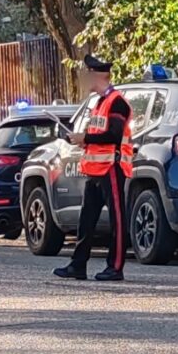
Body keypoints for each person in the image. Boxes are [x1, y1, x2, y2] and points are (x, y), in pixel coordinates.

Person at [53, 54, 133, 282]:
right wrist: (79, 139)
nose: (85, 79)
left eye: (87, 74)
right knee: (86, 219)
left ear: (97, 75)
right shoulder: (99, 103)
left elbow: (114, 135)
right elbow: (98, 135)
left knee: (118, 219)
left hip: (111, 167)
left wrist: (85, 136)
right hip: (95, 169)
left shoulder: (116, 102)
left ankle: (115, 268)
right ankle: (77, 265)